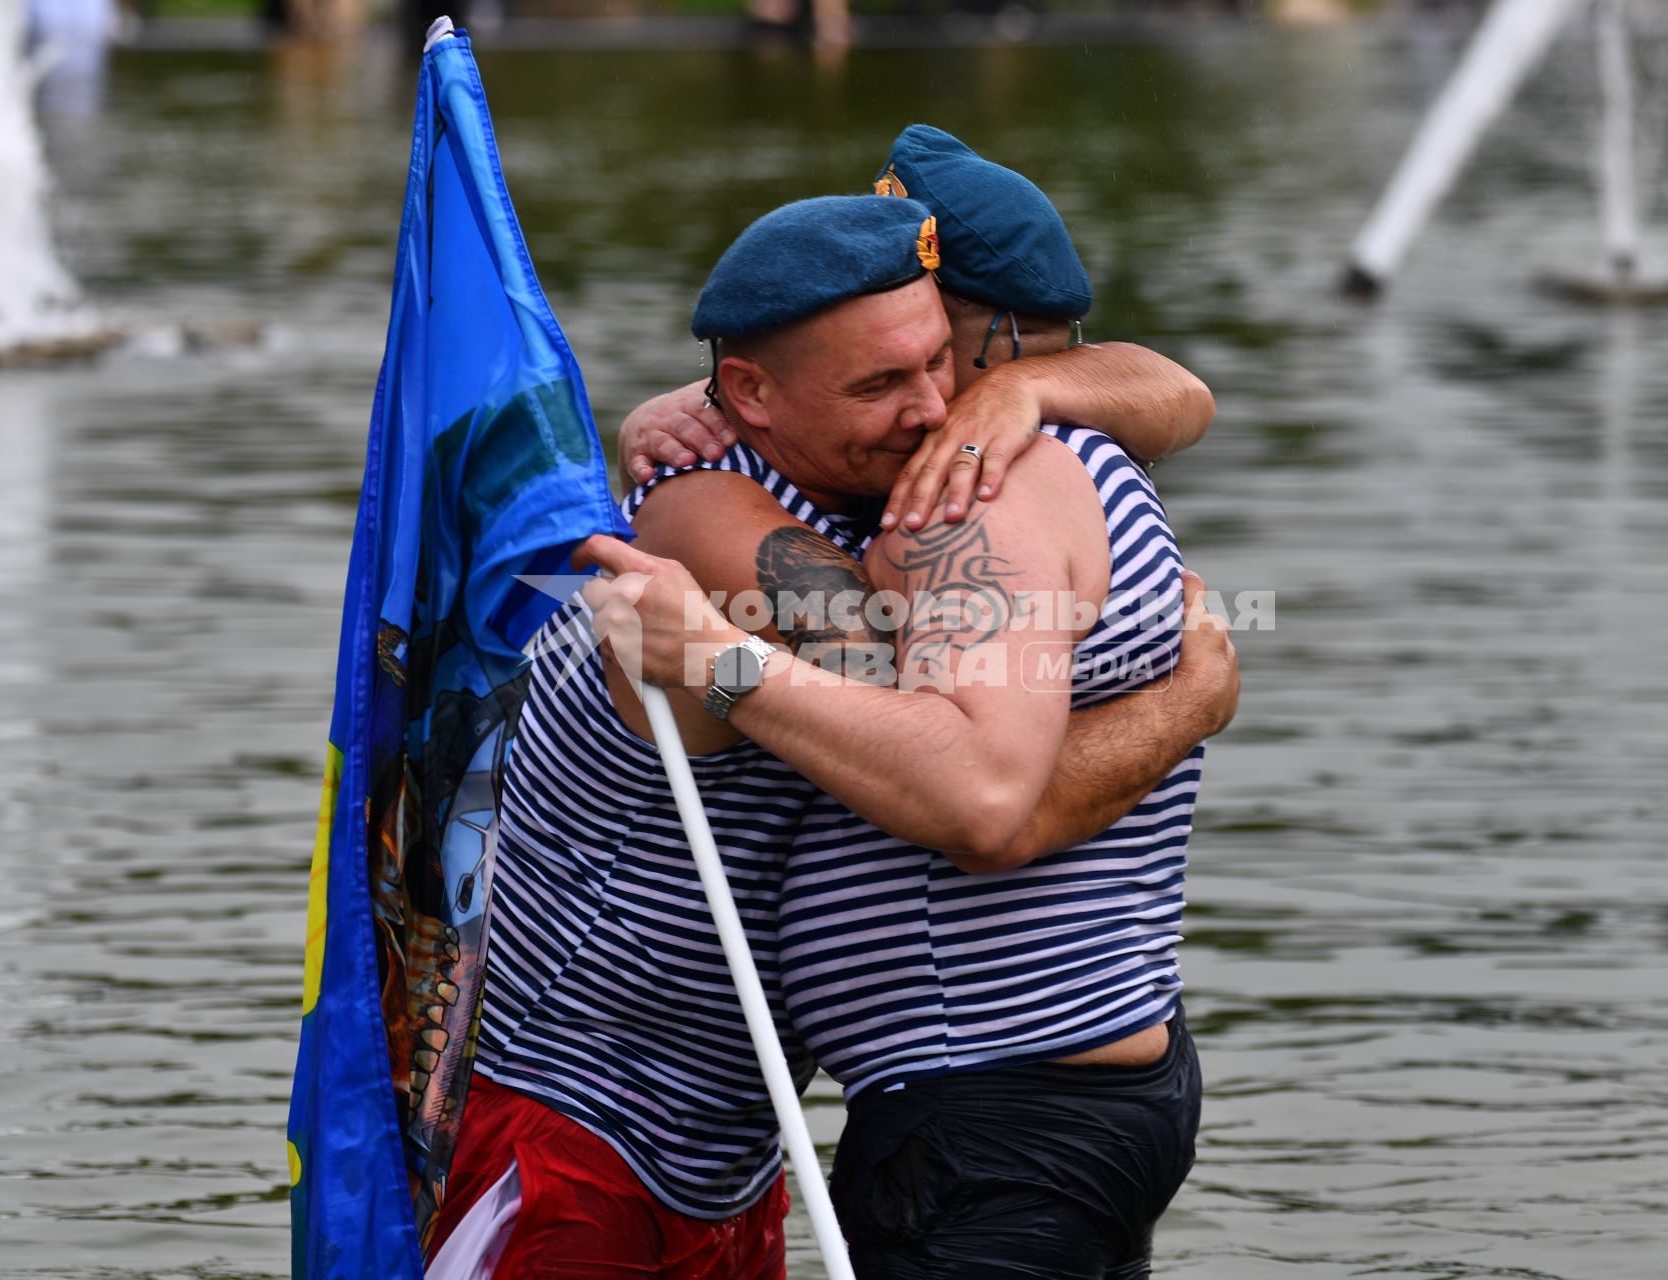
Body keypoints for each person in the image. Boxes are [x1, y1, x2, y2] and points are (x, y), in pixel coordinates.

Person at [428, 192, 1233, 1277]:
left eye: (941, 366)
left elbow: (1182, 393)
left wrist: (1032, 383)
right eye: (880, 385)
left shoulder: (881, 466)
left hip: (729, 1154)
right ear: (752, 393)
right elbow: (970, 766)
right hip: (566, 1126)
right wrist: (1183, 700)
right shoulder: (704, 512)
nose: (932, 409)